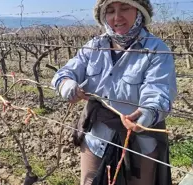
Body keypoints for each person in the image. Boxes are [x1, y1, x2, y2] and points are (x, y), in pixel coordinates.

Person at [51, 0, 177, 185]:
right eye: (110, 11)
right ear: (103, 17)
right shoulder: (94, 46)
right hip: (96, 140)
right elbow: (65, 72)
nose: (117, 17)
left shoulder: (156, 49)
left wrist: (148, 113)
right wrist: (66, 84)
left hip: (139, 144)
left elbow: (159, 89)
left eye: (125, 8)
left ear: (140, 12)